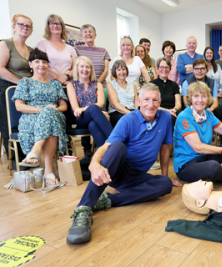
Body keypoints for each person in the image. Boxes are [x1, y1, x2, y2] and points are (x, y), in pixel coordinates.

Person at [66, 83, 182, 244]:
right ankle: (83, 209)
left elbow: (165, 149)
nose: (151, 104)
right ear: (139, 101)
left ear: (160, 102)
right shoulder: (127, 120)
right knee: (117, 147)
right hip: (118, 171)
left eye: (155, 100)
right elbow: (106, 146)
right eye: (146, 99)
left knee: (165, 185)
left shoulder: (165, 118)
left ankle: (107, 200)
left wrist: (166, 176)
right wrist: (94, 164)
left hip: (137, 175)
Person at [12, 49, 68, 185]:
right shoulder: (25, 82)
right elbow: (19, 106)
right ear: (30, 64)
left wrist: (51, 110)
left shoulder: (55, 84)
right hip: (31, 118)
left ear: (48, 65)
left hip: (55, 116)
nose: (41, 64)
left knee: (50, 114)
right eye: (37, 62)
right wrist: (41, 110)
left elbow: (64, 107)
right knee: (48, 115)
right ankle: (48, 172)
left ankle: (35, 150)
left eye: (44, 62)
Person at [0, 14, 33, 165]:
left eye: (28, 26)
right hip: (8, 88)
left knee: (26, 121)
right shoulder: (5, 44)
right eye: (21, 25)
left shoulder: (31, 49)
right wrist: (20, 82)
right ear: (14, 26)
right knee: (10, 123)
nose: (24, 28)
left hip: (27, 90)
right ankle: (15, 158)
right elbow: (0, 69)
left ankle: (30, 155)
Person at [67, 56, 113, 148]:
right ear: (77, 68)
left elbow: (100, 104)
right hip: (81, 119)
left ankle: (105, 156)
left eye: (88, 67)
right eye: (82, 66)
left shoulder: (97, 84)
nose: (85, 69)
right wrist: (94, 110)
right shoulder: (71, 85)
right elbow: (76, 109)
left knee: (93, 125)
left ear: (91, 69)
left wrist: (85, 109)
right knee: (94, 108)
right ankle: (116, 139)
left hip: (96, 117)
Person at [181, 58, 222, 143]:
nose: (199, 71)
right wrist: (200, 111)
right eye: (197, 69)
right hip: (193, 111)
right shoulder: (187, 82)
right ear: (193, 70)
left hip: (209, 109)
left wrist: (210, 109)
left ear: (206, 70)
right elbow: (186, 103)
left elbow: (215, 102)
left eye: (202, 69)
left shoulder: (212, 82)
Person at [37, 14, 77, 85]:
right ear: (48, 26)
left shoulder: (71, 48)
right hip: (48, 84)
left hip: (67, 85)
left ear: (62, 27)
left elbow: (76, 68)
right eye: (52, 23)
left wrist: (65, 77)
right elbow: (41, 65)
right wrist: (57, 78)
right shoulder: (42, 44)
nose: (55, 26)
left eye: (58, 24)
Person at [150, 58, 181, 129]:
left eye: (167, 67)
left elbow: (178, 103)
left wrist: (174, 109)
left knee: (183, 115)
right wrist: (169, 111)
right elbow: (153, 104)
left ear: (170, 69)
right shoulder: (152, 84)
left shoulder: (174, 85)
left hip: (173, 110)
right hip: (158, 110)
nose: (164, 69)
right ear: (157, 69)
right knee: (171, 118)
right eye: (162, 67)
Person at [107, 60, 138, 127]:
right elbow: (115, 105)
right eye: (118, 70)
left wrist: (138, 113)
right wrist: (131, 114)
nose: (122, 72)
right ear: (115, 72)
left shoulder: (133, 86)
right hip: (117, 112)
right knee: (128, 120)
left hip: (132, 111)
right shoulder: (110, 84)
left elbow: (136, 103)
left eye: (123, 69)